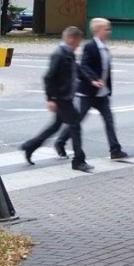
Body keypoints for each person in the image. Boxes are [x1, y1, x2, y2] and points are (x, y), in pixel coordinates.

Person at [21, 26, 102, 173]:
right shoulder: (59, 54)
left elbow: (77, 70)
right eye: (78, 42)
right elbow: (48, 77)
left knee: (56, 126)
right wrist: (50, 98)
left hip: (64, 96)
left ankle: (30, 146)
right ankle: (78, 160)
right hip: (61, 97)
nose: (79, 45)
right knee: (75, 125)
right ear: (72, 39)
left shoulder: (68, 53)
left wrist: (91, 81)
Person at [54, 18, 129, 160]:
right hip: (88, 92)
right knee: (77, 119)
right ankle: (60, 142)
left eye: (109, 29)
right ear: (97, 30)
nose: (109, 31)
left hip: (102, 93)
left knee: (109, 119)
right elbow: (84, 66)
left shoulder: (104, 47)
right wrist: (94, 79)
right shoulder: (90, 46)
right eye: (106, 29)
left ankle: (115, 150)